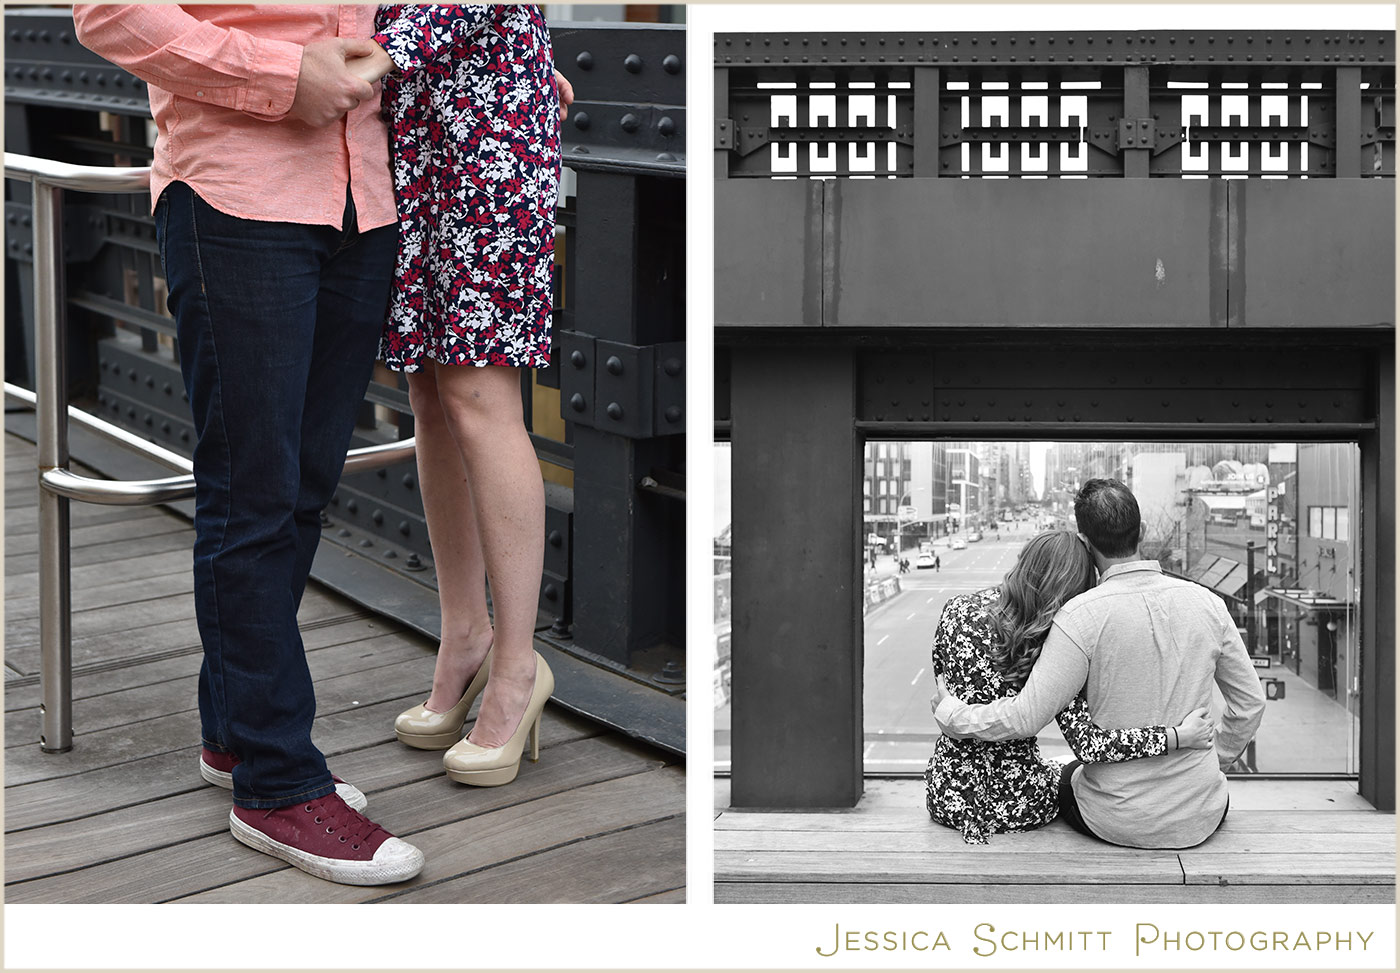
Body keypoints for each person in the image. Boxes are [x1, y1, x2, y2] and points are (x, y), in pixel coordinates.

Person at [73, 5, 423, 884]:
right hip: (238, 195)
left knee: (301, 489)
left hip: (366, 196)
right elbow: (108, 12)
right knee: (253, 493)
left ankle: (235, 732)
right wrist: (280, 75)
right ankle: (277, 782)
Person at [346, 6, 570, 786]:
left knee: (479, 393)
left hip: (487, 125)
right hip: (414, 125)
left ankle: (517, 667)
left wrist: (388, 50)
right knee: (430, 395)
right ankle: (464, 636)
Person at [932, 479, 1266, 849]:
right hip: (1202, 813)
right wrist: (1210, 762)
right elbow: (1250, 703)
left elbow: (1027, 717)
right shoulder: (1209, 604)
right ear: (1142, 531)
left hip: (1113, 818)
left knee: (1068, 774)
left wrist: (951, 713)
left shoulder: (1078, 617)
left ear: (1085, 542)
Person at [924, 530, 1213, 844]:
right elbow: (1090, 746)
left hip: (949, 794)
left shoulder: (955, 610)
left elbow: (942, 686)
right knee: (1072, 771)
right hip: (1019, 804)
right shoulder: (1052, 645)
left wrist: (955, 718)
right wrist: (1176, 736)